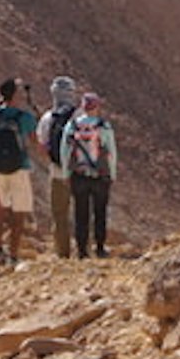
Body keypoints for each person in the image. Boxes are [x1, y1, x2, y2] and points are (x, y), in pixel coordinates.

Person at [0, 78, 39, 267]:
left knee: (0, 210)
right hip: (20, 167)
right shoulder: (26, 118)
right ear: (15, 94)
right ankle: (13, 255)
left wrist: (3, 99)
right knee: (19, 213)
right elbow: (33, 140)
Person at [61, 92, 119, 258]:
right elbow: (111, 152)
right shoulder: (104, 127)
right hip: (100, 175)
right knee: (100, 212)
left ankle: (81, 250)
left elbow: (65, 151)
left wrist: (66, 173)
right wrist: (112, 173)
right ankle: (100, 247)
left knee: (81, 213)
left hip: (78, 175)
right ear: (97, 107)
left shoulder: (72, 126)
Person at [38, 75, 83, 259]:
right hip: (79, 172)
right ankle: (83, 250)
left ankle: (62, 253)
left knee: (59, 214)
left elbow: (42, 144)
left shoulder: (48, 118)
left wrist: (52, 160)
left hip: (56, 172)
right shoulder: (81, 116)